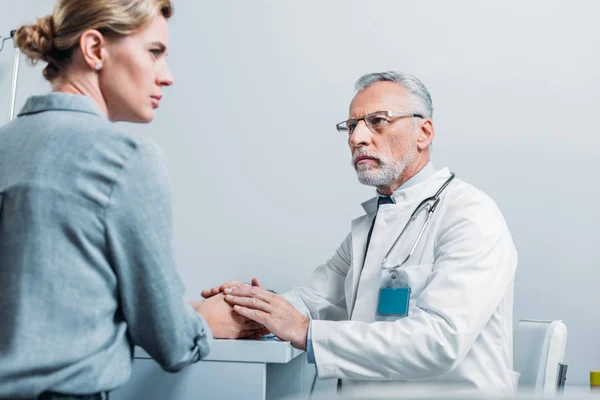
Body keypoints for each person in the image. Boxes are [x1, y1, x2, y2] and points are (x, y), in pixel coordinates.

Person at [0, 1, 262, 399]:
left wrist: (180, 313)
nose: (167, 76)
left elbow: (48, 311)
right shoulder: (123, 158)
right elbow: (172, 345)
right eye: (154, 52)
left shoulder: (6, 145)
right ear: (95, 49)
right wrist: (206, 321)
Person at [203, 71, 519, 394]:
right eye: (352, 126)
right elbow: (314, 299)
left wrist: (306, 332)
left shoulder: (471, 215)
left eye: (377, 121)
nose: (357, 138)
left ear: (423, 133)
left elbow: (441, 339)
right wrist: (248, 306)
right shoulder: (370, 226)